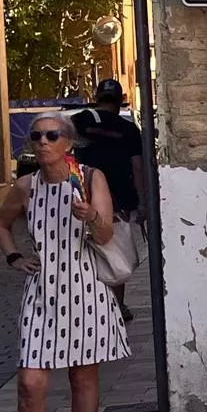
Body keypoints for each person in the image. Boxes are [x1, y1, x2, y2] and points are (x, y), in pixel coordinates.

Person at [0, 112, 131, 412]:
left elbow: (104, 237)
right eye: (37, 136)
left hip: (85, 286)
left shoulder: (89, 178)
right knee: (30, 380)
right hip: (41, 291)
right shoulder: (26, 186)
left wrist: (91, 217)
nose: (42, 141)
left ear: (68, 143)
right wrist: (13, 257)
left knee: (82, 375)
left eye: (52, 135)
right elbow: (1, 223)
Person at [72, 79, 145, 323]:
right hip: (118, 200)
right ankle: (117, 305)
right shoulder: (129, 130)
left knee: (80, 251)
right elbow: (137, 166)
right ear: (120, 99)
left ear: (97, 96)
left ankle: (85, 303)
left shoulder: (80, 121)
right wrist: (142, 202)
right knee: (114, 252)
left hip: (80, 195)